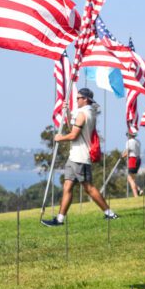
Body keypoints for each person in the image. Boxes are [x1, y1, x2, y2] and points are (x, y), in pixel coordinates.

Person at [41, 88, 119, 227]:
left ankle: (109, 213)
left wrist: (60, 138)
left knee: (89, 188)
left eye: (78, 98)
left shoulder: (84, 114)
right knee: (67, 186)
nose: (76, 100)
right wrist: (68, 113)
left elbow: (73, 135)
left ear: (85, 99)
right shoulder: (87, 112)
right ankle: (59, 219)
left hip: (81, 157)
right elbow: (74, 126)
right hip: (74, 156)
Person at [125, 132, 143, 197]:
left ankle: (136, 195)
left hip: (132, 159)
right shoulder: (138, 141)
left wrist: (122, 156)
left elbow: (127, 151)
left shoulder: (129, 142)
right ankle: (139, 189)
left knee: (130, 178)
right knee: (132, 178)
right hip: (138, 159)